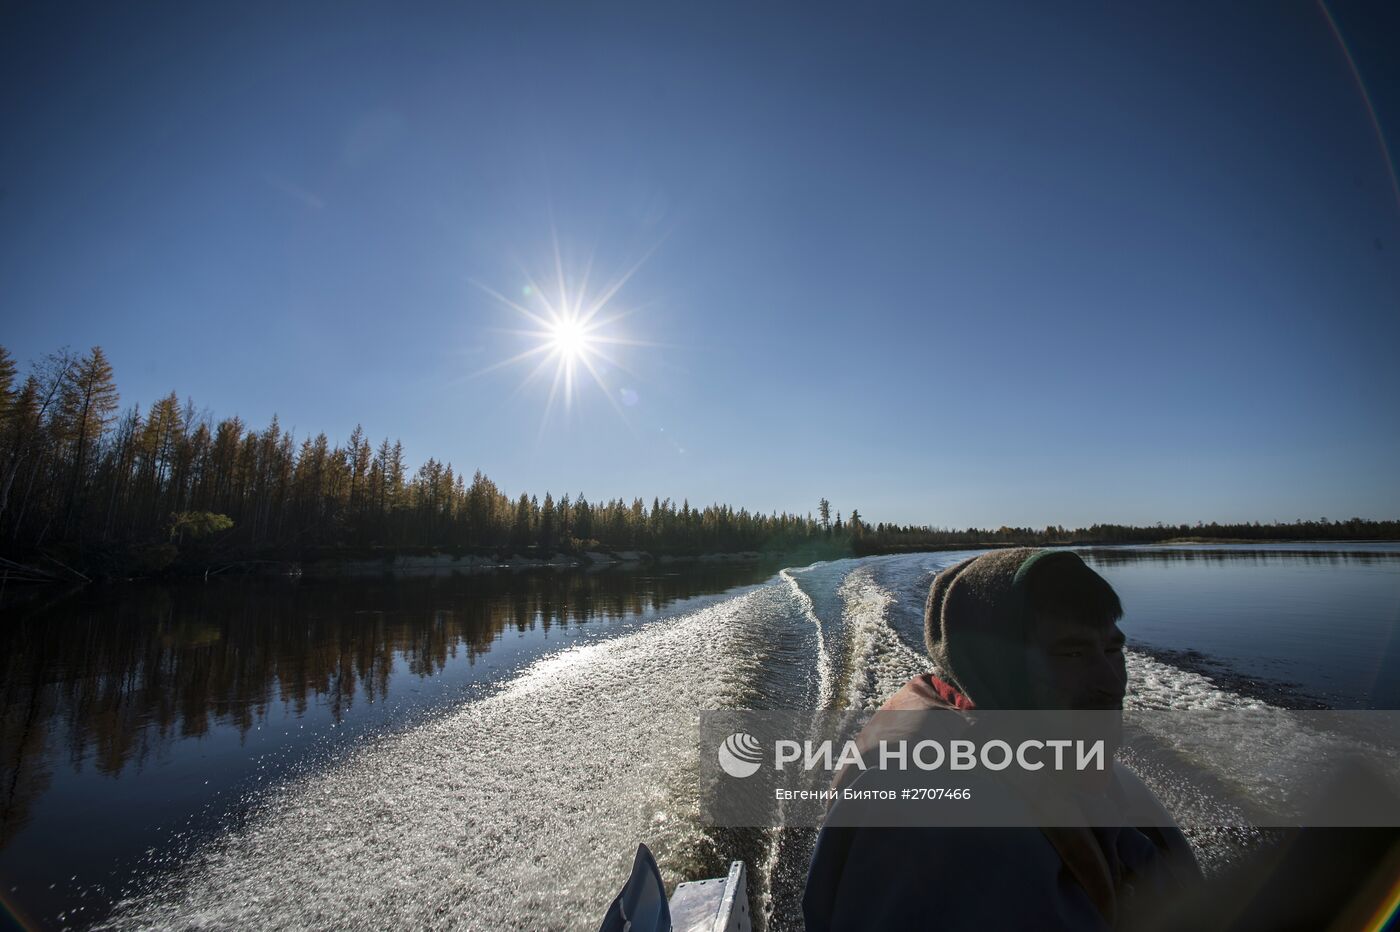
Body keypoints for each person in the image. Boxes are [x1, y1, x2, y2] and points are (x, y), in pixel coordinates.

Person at [802, 547, 1202, 931]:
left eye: (1113, 650)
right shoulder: (939, 823)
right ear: (998, 666)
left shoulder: (1028, 743)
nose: (1112, 683)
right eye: (1073, 655)